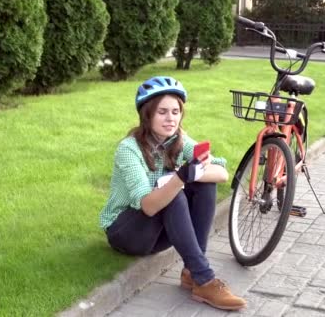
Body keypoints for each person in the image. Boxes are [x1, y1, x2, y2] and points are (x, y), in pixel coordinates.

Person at [99, 76, 246, 311]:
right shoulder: (128, 149)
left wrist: (189, 173)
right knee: (174, 191)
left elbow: (222, 173)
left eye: (176, 112)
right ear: (147, 115)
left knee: (203, 184)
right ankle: (204, 278)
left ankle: (192, 272)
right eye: (162, 112)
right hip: (126, 233)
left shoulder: (179, 140)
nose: (171, 119)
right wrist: (179, 177)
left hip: (158, 233)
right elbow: (148, 206)